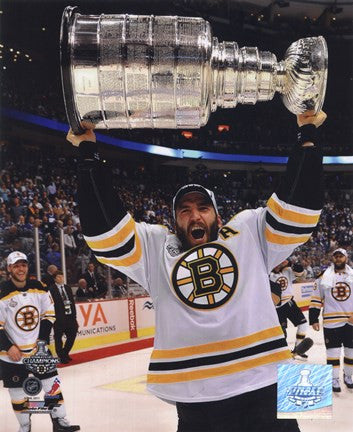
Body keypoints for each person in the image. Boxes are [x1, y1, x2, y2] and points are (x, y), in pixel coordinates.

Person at [68, 111, 326, 432]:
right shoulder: (156, 247)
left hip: (269, 377)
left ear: (217, 216)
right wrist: (88, 153)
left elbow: (300, 208)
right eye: (185, 210)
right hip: (195, 393)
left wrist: (308, 137)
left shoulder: (248, 229)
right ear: (174, 221)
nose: (195, 216)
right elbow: (105, 234)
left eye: (203, 208)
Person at [0, 251, 80, 432]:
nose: (21, 269)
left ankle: (59, 422)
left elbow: (49, 314)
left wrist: (42, 340)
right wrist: (8, 346)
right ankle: (25, 426)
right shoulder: (2, 292)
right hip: (12, 355)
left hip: (39, 350)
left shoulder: (39, 287)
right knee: (18, 394)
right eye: (16, 266)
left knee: (52, 386)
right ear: (9, 268)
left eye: (23, 265)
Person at [309, 248, 353, 392]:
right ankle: (334, 378)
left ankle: (348, 376)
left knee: (350, 352)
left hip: (350, 320)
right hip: (331, 321)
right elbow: (316, 298)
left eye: (341, 256)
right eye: (336, 256)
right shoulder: (323, 277)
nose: (338, 259)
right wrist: (313, 318)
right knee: (333, 352)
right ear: (333, 259)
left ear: (346, 258)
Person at [270, 259, 309, 359]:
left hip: (289, 303)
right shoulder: (266, 273)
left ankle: (298, 349)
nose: (278, 265)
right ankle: (281, 354)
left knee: (303, 324)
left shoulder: (287, 270)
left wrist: (291, 263)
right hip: (274, 307)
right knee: (281, 333)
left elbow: (301, 273)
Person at [50, 270, 78, 364]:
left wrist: (74, 316)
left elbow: (72, 303)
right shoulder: (51, 290)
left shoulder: (67, 288)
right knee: (58, 338)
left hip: (70, 316)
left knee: (72, 334)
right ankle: (61, 356)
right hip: (59, 318)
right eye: (58, 277)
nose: (61, 278)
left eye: (62, 276)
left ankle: (65, 353)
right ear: (55, 279)